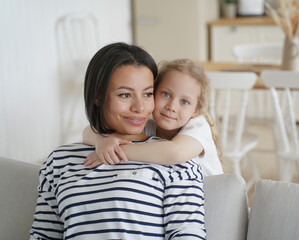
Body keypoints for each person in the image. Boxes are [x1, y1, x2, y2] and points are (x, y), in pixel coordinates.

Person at [30, 42, 206, 240]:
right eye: (125, 95)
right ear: (98, 96)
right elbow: (43, 235)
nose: (140, 107)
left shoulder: (175, 162)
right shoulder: (59, 160)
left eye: (147, 94)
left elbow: (188, 235)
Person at [83, 59, 224, 176]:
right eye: (166, 94)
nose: (172, 107)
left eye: (184, 102)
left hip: (211, 202)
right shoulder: (149, 127)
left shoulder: (198, 126)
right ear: (153, 93)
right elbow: (86, 132)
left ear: (195, 110)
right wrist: (102, 140)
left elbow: (176, 152)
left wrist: (117, 152)